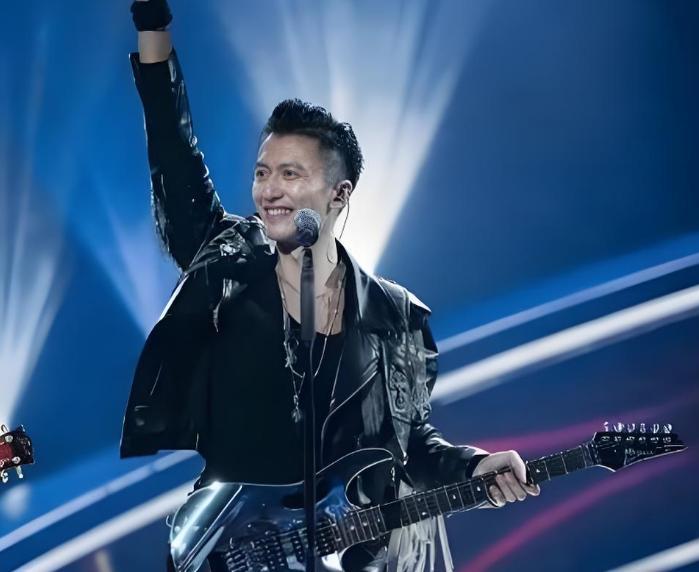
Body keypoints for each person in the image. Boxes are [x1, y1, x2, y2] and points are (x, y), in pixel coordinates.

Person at [121, 1, 540, 570]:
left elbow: (408, 442)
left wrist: (472, 465)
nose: (268, 190)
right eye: (262, 173)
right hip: (226, 551)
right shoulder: (228, 266)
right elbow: (175, 155)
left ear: (339, 195)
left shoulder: (393, 316)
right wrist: (153, 28)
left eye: (290, 174)